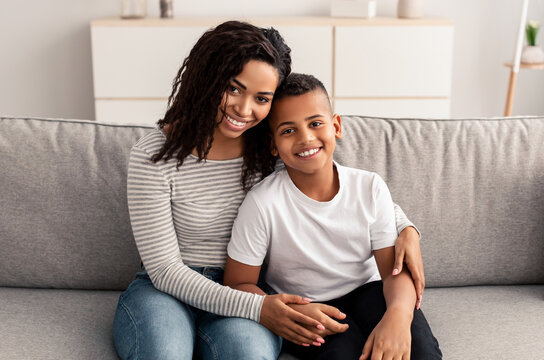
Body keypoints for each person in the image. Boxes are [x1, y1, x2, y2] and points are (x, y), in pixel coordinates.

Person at [113, 20, 425, 360]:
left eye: (261, 98)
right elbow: (164, 270)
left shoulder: (273, 145)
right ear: (206, 77)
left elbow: (340, 184)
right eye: (233, 89)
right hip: (167, 291)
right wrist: (260, 308)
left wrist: (405, 227)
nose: (244, 110)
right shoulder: (153, 155)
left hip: (247, 289)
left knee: (248, 354)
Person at [225, 73, 442, 359]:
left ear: (336, 126)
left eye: (315, 123)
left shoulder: (370, 187)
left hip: (370, 291)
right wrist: (289, 310)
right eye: (288, 130)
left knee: (422, 352)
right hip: (305, 303)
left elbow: (393, 272)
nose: (305, 138)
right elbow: (237, 283)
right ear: (273, 144)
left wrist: (399, 317)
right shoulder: (263, 202)